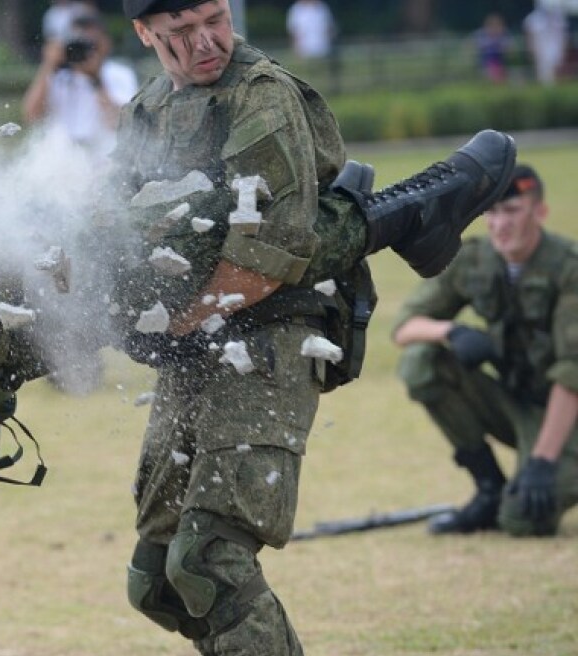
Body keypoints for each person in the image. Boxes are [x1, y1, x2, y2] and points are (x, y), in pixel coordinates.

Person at [111, 1, 516, 654]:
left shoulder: (262, 96)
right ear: (143, 34)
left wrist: (173, 323)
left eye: (214, 16)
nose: (207, 40)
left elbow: (264, 257)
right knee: (155, 580)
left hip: (274, 326)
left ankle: (414, 211)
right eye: (180, 33)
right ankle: (414, 212)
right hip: (195, 344)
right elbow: (114, 229)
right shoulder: (147, 110)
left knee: (208, 561)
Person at [393, 164, 578, 537]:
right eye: (491, 212)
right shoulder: (477, 259)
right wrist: (452, 330)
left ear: (539, 212)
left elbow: (572, 372)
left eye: (512, 211)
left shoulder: (568, 268)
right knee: (420, 362)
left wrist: (543, 462)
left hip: (567, 415)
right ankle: (489, 488)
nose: (499, 224)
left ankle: (554, 471)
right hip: (516, 400)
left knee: (523, 520)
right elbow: (405, 327)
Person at [22, 12, 140, 162]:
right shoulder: (57, 77)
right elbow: (31, 116)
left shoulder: (119, 74)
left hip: (103, 158)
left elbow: (121, 125)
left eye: (92, 44)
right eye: (78, 44)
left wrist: (96, 80)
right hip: (64, 160)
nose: (86, 51)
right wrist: (48, 64)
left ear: (106, 43)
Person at [523, 1, 569, 85]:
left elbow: (562, 36)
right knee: (543, 72)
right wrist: (531, 49)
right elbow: (529, 37)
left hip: (554, 48)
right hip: (540, 49)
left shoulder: (558, 17)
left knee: (556, 71)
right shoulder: (533, 19)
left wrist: (563, 48)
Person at [475, 13, 510, 84]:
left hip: (501, 61)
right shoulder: (481, 34)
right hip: (487, 61)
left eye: (497, 25)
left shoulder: (504, 34)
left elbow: (508, 48)